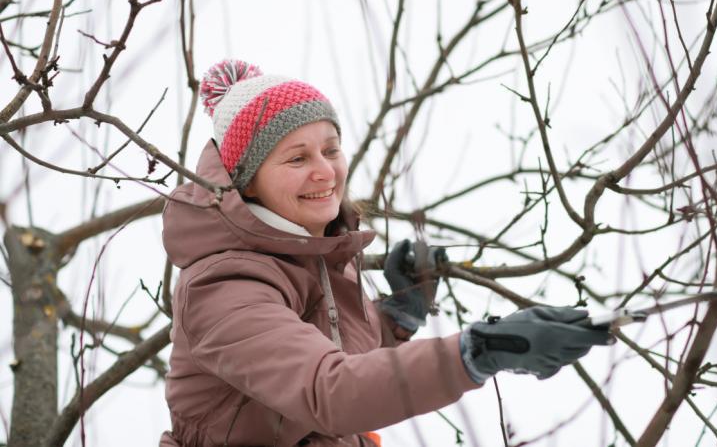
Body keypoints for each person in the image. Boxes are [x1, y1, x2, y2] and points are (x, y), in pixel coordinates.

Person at [159, 60, 613, 447]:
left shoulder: (311, 251)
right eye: (297, 159)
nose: (325, 172)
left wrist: (396, 317)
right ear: (248, 182)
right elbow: (328, 391)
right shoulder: (224, 288)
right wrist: (480, 350)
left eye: (330, 150)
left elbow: (335, 353)